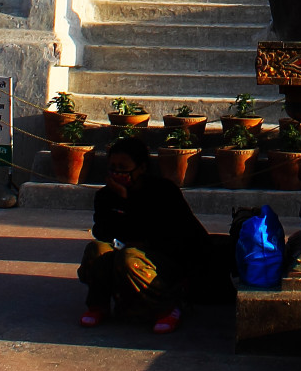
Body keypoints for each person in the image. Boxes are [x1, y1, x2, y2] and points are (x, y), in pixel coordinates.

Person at [77, 137, 232, 330]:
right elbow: (102, 231)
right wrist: (119, 202)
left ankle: (167, 307)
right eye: (113, 167)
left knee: (128, 258)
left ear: (141, 168)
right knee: (96, 250)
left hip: (169, 259)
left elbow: (169, 235)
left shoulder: (164, 192)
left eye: (123, 167)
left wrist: (128, 206)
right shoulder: (105, 196)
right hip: (128, 251)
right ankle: (98, 305)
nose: (117, 172)